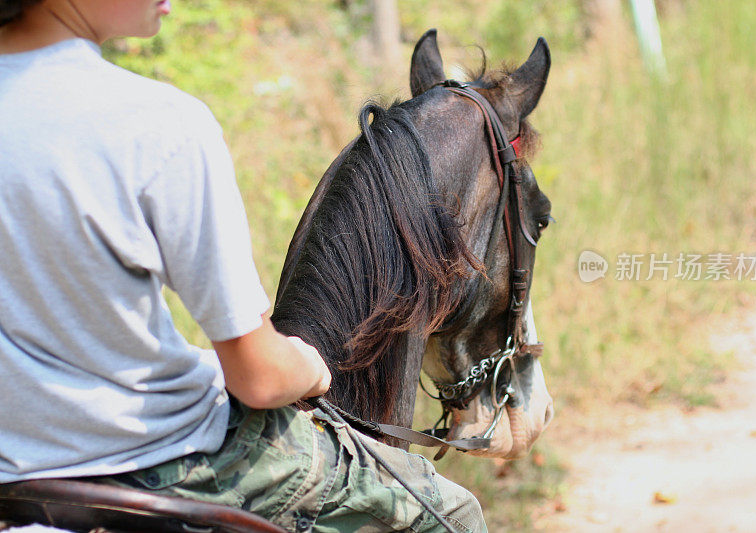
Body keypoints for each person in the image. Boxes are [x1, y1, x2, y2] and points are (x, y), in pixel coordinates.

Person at [0, 1, 486, 531]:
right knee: (453, 515)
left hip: (18, 472)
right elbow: (256, 377)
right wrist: (310, 364)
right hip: (155, 463)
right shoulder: (155, 125)